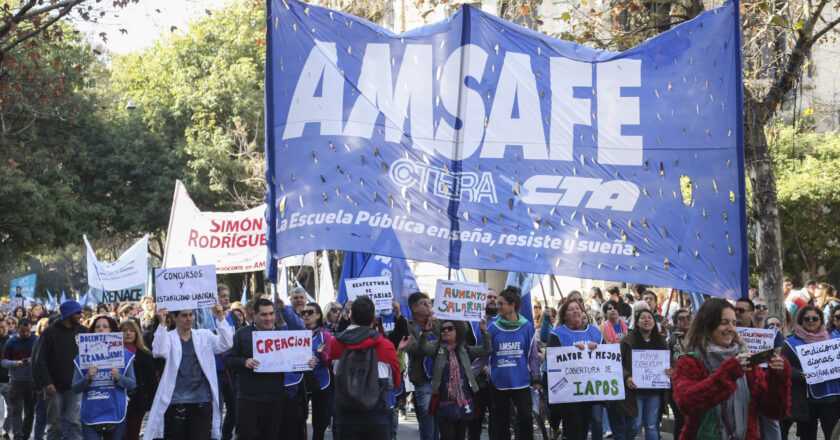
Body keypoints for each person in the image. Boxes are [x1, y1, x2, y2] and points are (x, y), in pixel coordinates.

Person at [673, 298, 791, 440]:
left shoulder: (746, 361)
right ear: (707, 325)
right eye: (724, 323)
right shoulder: (689, 361)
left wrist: (778, 377)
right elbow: (686, 403)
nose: (731, 329)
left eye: (734, 323)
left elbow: (774, 411)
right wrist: (727, 374)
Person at [143, 304, 232, 440]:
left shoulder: (204, 335)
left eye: (191, 314)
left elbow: (226, 344)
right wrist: (161, 323)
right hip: (176, 403)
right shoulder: (169, 337)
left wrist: (220, 317)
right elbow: (158, 351)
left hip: (202, 401)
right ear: (174, 317)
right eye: (184, 315)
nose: (189, 318)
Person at [225, 298, 309, 440]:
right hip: (248, 398)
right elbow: (229, 360)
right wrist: (244, 361)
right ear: (253, 314)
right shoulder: (242, 333)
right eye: (264, 315)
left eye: (271, 314)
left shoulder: (282, 334)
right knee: (247, 436)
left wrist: (307, 362)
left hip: (274, 399)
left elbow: (296, 363)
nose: (268, 318)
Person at [327, 296, 400, 440]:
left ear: (352, 318)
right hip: (377, 417)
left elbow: (332, 370)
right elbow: (394, 382)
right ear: (374, 319)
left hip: (345, 415)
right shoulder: (386, 346)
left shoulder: (336, 343)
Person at [416, 317, 490, 440]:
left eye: (450, 328)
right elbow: (422, 347)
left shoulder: (465, 349)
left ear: (458, 332)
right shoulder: (436, 348)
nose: (446, 331)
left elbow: (486, 350)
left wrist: (483, 330)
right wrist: (426, 329)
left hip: (464, 402)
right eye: (443, 329)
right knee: (448, 436)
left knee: (460, 437)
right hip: (444, 403)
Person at [780, 305, 840, 440]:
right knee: (807, 436)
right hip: (805, 400)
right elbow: (783, 367)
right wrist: (798, 374)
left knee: (832, 435)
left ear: (821, 321)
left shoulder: (833, 339)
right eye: (807, 318)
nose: (811, 321)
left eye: (815, 318)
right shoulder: (789, 343)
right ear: (801, 321)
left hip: (830, 399)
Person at [71, 315, 136, 440]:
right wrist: (87, 378)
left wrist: (119, 378)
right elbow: (75, 388)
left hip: (116, 412)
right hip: (91, 413)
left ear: (111, 331)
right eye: (97, 327)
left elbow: (132, 384)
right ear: (93, 331)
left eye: (105, 326)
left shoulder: (125, 356)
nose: (101, 329)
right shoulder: (82, 358)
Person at [488, 286, 539, 440]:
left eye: (501, 303)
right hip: (499, 382)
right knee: (501, 422)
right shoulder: (492, 327)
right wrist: (473, 373)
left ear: (512, 306)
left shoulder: (527, 327)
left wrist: (536, 378)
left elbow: (533, 355)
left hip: (521, 382)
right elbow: (485, 355)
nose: (498, 307)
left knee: (525, 418)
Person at [547, 298, 602, 439]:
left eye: (577, 308)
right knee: (575, 430)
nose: (575, 311)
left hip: (589, 390)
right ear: (564, 316)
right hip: (569, 392)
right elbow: (552, 361)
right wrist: (572, 352)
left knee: (583, 429)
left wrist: (597, 348)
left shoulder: (595, 333)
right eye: (571, 309)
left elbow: (606, 358)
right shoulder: (557, 334)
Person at [33, 299, 87, 440]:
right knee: (54, 425)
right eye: (78, 312)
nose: (81, 315)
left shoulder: (83, 331)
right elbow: (40, 360)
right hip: (54, 388)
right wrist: (46, 382)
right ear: (69, 314)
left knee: (75, 423)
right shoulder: (49, 332)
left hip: (75, 388)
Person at [619, 309, 669, 440]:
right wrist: (627, 377)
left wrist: (671, 370)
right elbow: (616, 362)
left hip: (655, 392)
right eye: (643, 318)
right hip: (634, 392)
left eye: (650, 318)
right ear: (637, 322)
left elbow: (671, 362)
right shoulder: (627, 340)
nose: (647, 320)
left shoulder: (662, 341)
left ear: (654, 322)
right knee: (635, 425)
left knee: (652, 426)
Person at [405, 291, 441, 440]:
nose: (428, 306)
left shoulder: (437, 321)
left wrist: (435, 322)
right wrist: (432, 344)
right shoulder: (409, 325)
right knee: (427, 412)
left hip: (440, 375)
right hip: (423, 377)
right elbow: (413, 348)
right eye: (424, 303)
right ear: (414, 308)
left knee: (439, 414)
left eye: (429, 303)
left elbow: (446, 340)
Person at [468, 287, 498, 440]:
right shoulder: (472, 322)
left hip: (496, 378)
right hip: (477, 378)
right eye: (489, 297)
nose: (493, 299)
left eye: (495, 297)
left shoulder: (502, 322)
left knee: (496, 420)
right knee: (475, 420)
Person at [119, 320, 156, 440]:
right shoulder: (112, 355)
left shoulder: (145, 354)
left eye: (131, 330)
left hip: (138, 402)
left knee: (133, 435)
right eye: (124, 330)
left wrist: (151, 403)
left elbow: (152, 381)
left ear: (136, 333)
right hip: (117, 401)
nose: (128, 333)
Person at [302, 302, 334, 440]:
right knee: (298, 419)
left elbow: (329, 362)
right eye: (304, 312)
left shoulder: (325, 335)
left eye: (310, 312)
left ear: (318, 315)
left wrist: (321, 354)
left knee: (319, 421)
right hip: (302, 380)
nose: (306, 315)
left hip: (321, 381)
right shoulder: (297, 332)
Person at [2, 318, 36, 440]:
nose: (25, 333)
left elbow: (43, 358)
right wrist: (16, 363)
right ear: (17, 329)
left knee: (30, 412)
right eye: (22, 331)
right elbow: (4, 361)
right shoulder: (11, 342)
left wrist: (34, 360)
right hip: (16, 381)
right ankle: (17, 436)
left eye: (27, 331)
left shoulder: (36, 340)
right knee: (16, 411)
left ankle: (26, 435)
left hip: (32, 381)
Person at [213, 284, 237, 440]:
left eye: (227, 295)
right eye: (222, 295)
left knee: (234, 408)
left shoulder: (232, 316)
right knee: (216, 409)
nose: (226, 298)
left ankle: (226, 436)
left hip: (231, 370)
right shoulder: (208, 318)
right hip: (214, 370)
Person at [667, 309, 691, 439]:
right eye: (682, 319)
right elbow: (661, 359)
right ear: (676, 323)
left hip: (693, 384)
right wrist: (669, 369)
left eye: (688, 317)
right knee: (681, 419)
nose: (686, 320)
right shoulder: (670, 339)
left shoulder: (699, 338)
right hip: (675, 386)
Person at [0, 320, 10, 440]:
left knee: (10, 408)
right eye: (1, 327)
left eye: (5, 327)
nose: (3, 329)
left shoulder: (12, 341)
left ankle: (5, 431)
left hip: (8, 379)